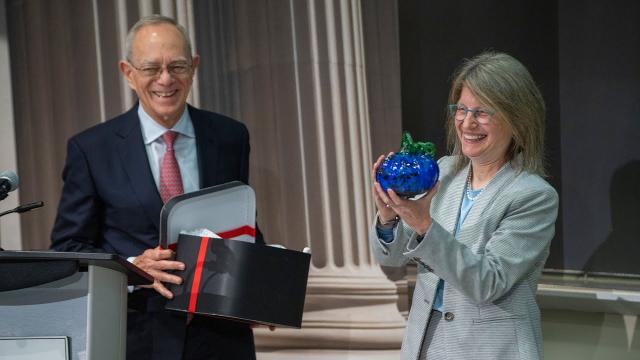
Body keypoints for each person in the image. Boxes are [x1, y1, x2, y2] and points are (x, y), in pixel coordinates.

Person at [51, 15, 262, 360]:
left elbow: (245, 227)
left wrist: (260, 290)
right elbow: (68, 248)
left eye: (177, 65)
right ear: (128, 73)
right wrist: (133, 267)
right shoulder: (91, 150)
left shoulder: (230, 137)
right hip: (136, 338)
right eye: (151, 68)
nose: (166, 79)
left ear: (194, 67)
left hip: (223, 338)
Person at [370, 52, 559, 360]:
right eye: (461, 109)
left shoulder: (533, 196)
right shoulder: (442, 172)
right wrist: (388, 216)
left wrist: (423, 226)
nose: (467, 123)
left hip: (492, 350)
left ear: (518, 120)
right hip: (426, 346)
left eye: (483, 112)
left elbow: (488, 282)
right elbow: (390, 259)